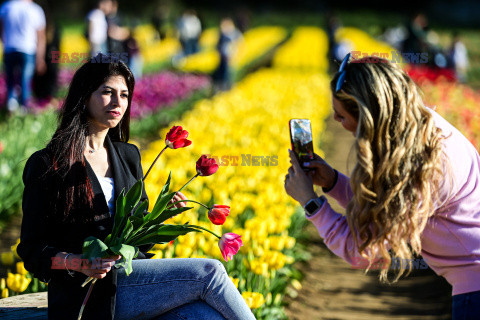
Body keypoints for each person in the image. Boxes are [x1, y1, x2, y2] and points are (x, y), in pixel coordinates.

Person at [17, 54, 256, 320]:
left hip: (131, 281)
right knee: (209, 273)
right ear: (84, 96)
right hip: (84, 294)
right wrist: (79, 262)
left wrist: (164, 216)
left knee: (202, 314)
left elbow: (139, 242)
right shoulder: (49, 164)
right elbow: (31, 249)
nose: (119, 102)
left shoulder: (127, 156)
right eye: (107, 92)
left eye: (125, 95)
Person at [284, 53, 480, 320]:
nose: (336, 121)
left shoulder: (425, 166)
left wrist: (311, 203)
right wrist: (332, 182)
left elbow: (361, 250)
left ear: (368, 116)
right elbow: (387, 205)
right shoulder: (427, 132)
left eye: (341, 116)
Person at [0, 0, 46, 112]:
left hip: (9, 48)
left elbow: (1, 29)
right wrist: (40, 58)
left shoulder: (6, 7)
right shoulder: (35, 9)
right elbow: (41, 37)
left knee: (10, 81)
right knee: (25, 80)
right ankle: (25, 109)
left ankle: (11, 105)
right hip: (28, 49)